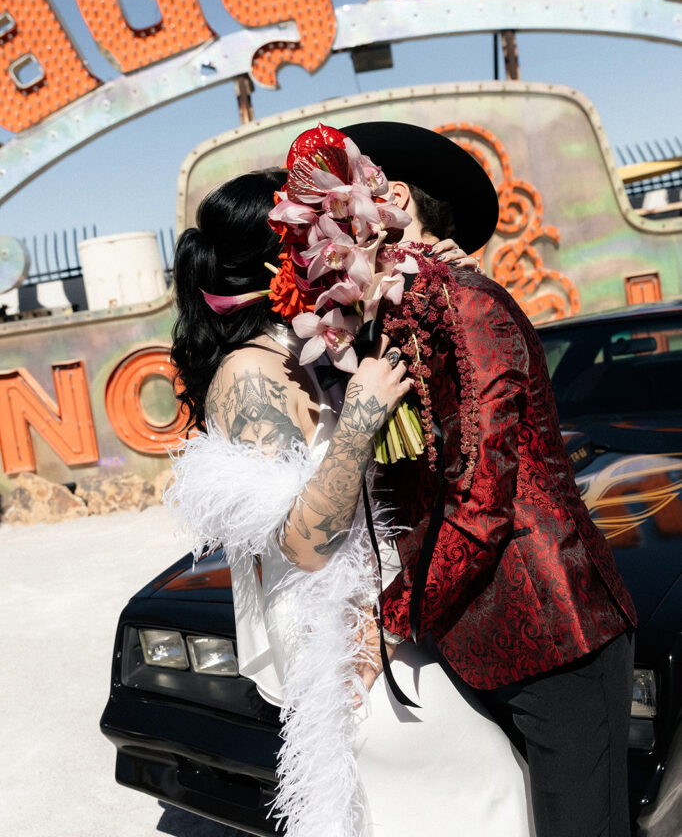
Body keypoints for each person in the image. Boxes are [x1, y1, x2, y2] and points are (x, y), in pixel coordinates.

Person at [167, 166, 534, 836]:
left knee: (437, 804)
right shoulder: (250, 373)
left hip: (389, 618)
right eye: (324, 230)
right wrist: (362, 417)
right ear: (289, 256)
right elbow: (302, 541)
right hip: (341, 637)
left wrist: (441, 273)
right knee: (482, 780)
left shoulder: (303, 345)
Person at [340, 120, 638, 837]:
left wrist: (396, 614)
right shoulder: (395, 318)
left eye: (340, 208)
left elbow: (480, 498)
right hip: (474, 632)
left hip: (555, 636)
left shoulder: (464, 304)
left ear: (395, 201)